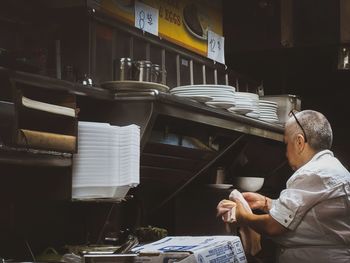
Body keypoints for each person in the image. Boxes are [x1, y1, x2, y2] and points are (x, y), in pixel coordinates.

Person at [217, 110, 350, 263]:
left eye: (286, 144)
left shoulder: (312, 173)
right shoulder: (330, 168)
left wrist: (244, 217)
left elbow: (273, 227)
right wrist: (266, 203)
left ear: (299, 142)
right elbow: (305, 213)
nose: (286, 153)